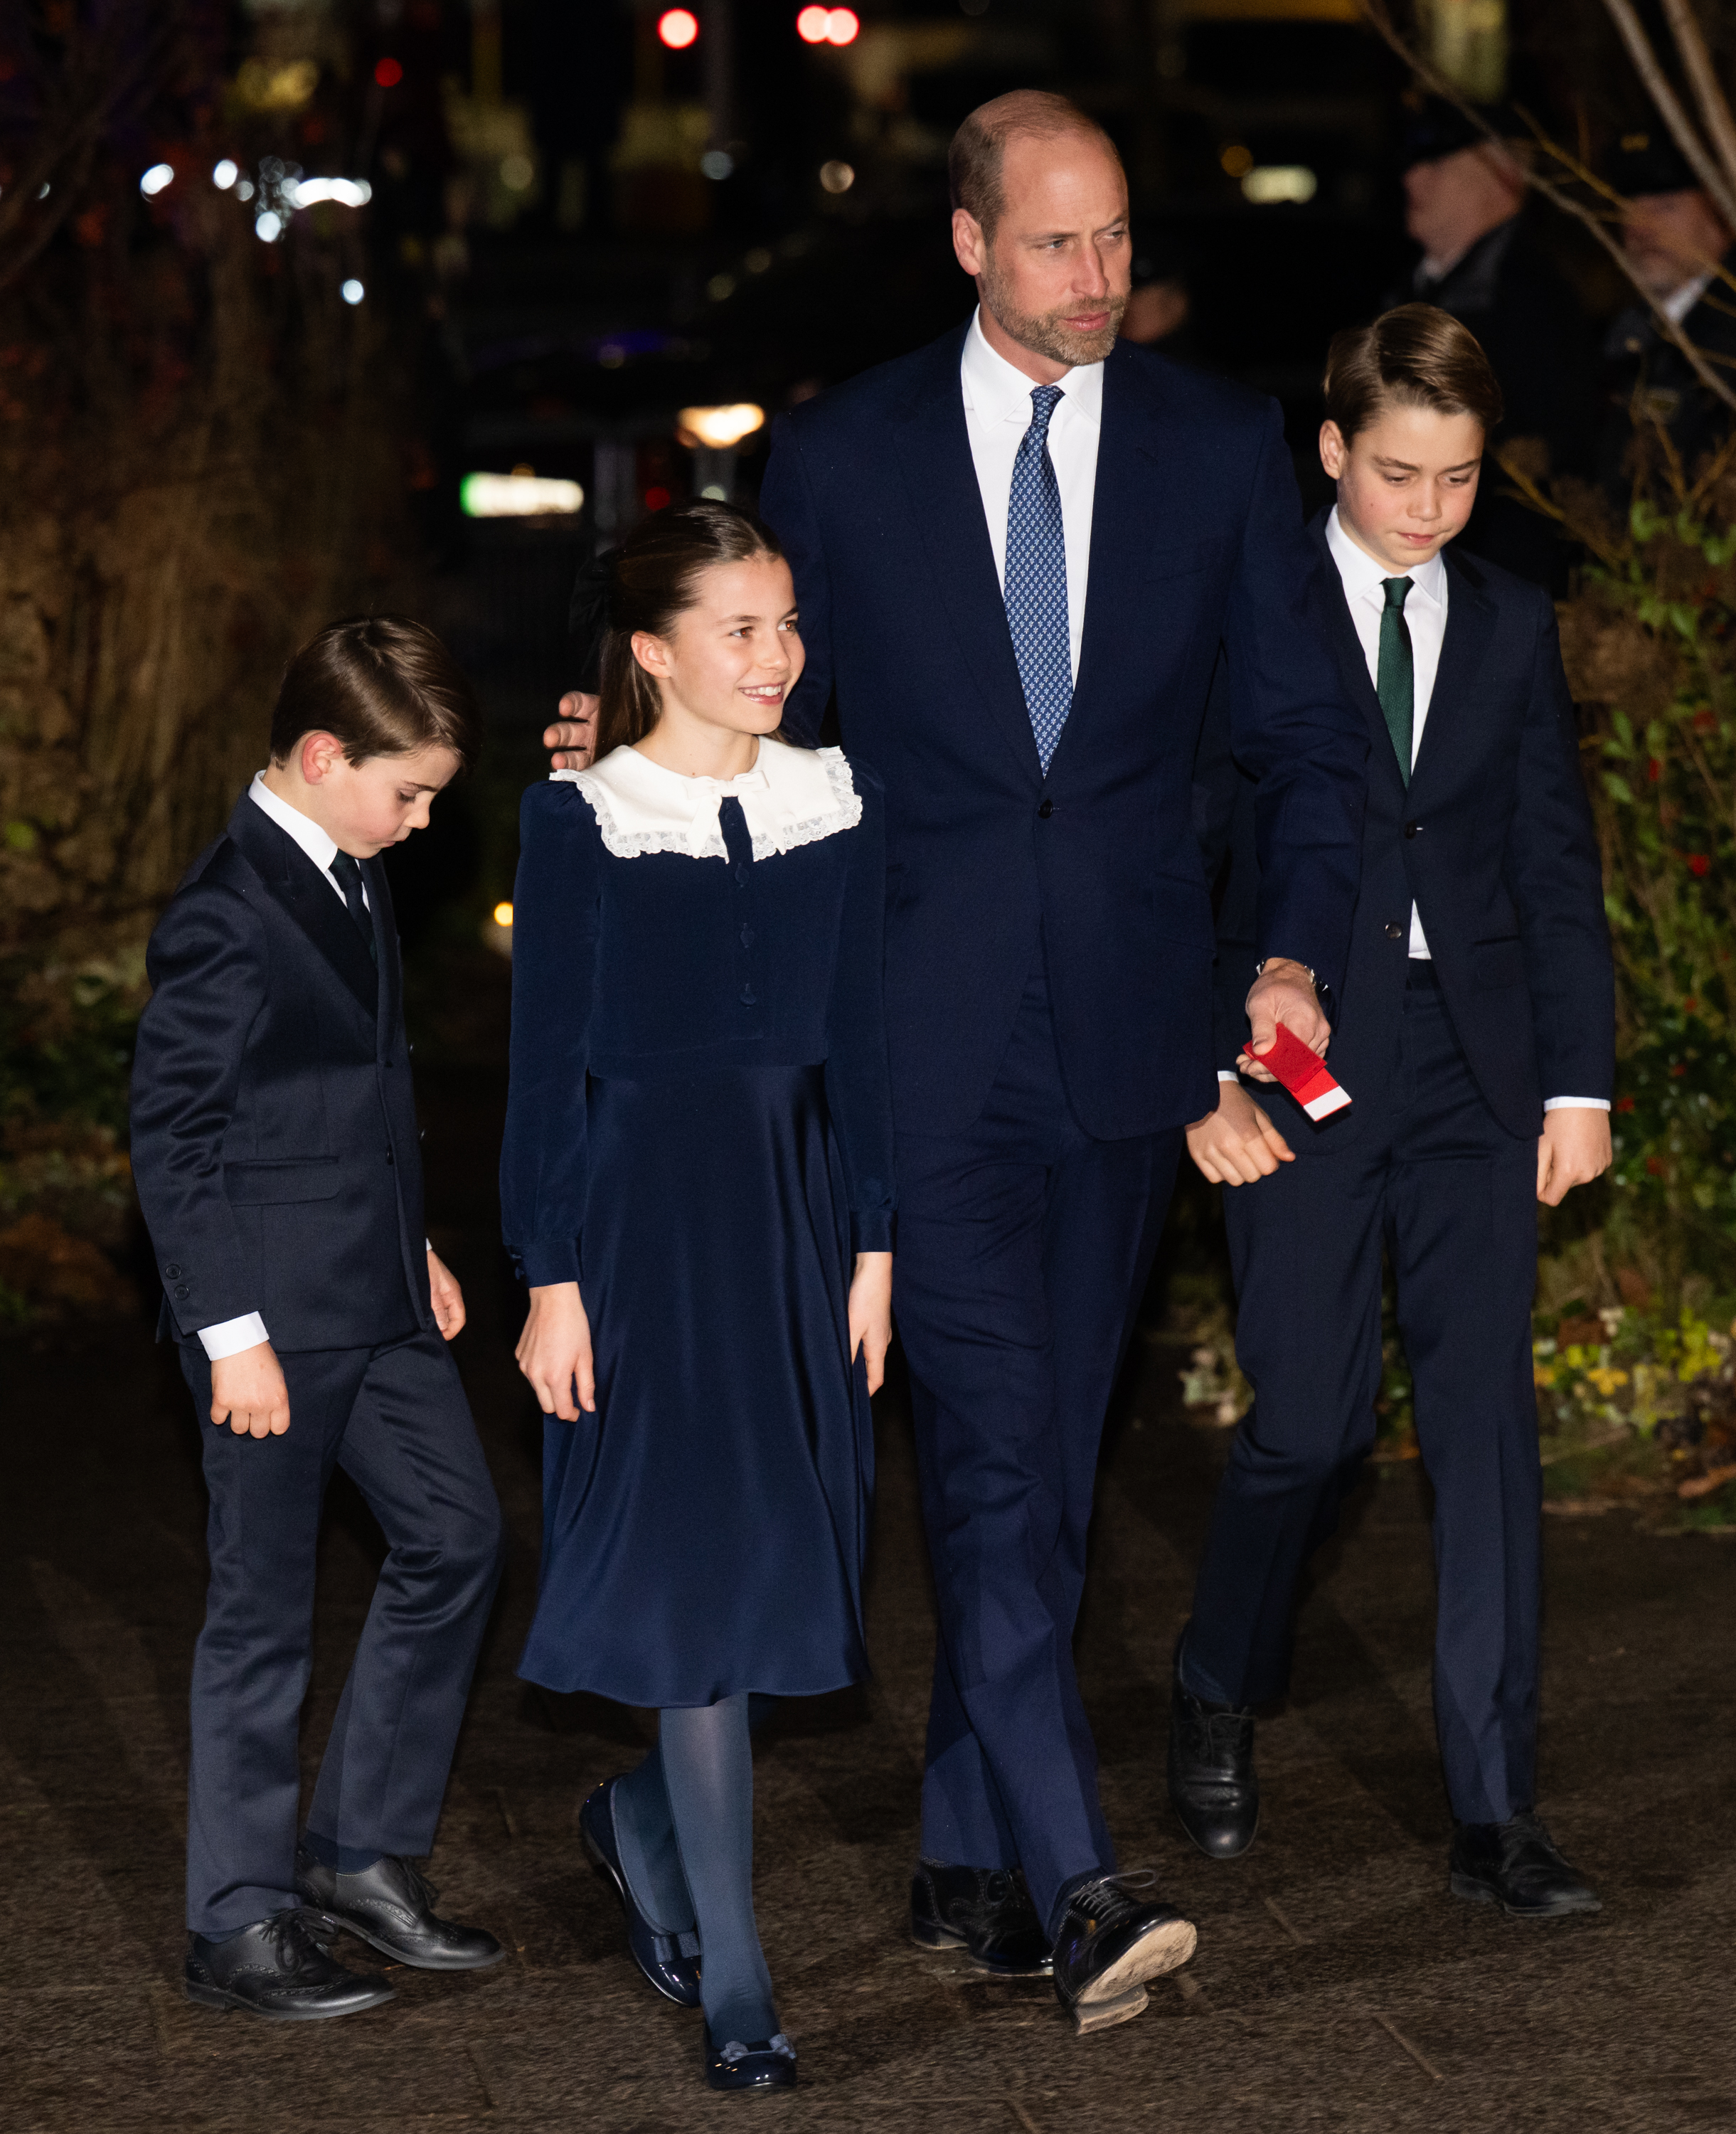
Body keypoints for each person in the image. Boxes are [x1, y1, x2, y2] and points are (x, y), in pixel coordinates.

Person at [550, 89, 1368, 2036]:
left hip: (1129, 1050)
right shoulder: (842, 460)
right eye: (1059, 246)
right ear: (971, 246)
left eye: (1117, 244)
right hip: (908, 1046)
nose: (1102, 281)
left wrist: (1287, 949)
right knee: (999, 1463)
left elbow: (1303, 745)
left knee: (1048, 1480)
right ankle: (1081, 1888)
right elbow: (770, 733)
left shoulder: (1215, 442)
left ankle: (960, 1855)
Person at [1176, 306, 1614, 1917]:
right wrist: (1197, 1058)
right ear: (1329, 449)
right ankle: (1217, 1672)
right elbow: (1186, 847)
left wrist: (1577, 1079)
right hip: (1293, 1055)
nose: (1426, 507)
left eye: (1457, 477)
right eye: (1396, 473)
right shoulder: (1250, 607)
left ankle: (1494, 1808)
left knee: (1483, 1427)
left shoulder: (1506, 619)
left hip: (1476, 1066)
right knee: (1305, 1424)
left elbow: (1552, 866)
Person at [502, 501, 894, 2093]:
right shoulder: (579, 819)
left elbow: (859, 1037)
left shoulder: (835, 798)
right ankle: (738, 1985)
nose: (776, 656)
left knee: (793, 1563)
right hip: (641, 1232)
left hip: (795, 1221)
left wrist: (872, 1242)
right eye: (739, 630)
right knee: (698, 1604)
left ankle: (635, 1819)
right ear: (651, 652)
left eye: (786, 624)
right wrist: (551, 1277)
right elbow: (544, 1075)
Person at [129, 617, 506, 2022]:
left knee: (458, 1538)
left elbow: (336, 1090)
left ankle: (357, 1855)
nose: (418, 823)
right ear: (319, 753)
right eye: (406, 792)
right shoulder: (225, 909)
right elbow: (174, 1136)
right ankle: (234, 1922)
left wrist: (413, 1239)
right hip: (268, 1324)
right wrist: (229, 1338)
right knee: (260, 1614)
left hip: (377, 1293)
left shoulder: (352, 875)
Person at [1390, 97, 1595, 587]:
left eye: (1437, 163)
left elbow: (1537, 461)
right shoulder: (1416, 288)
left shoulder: (1533, 298)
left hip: (1486, 578)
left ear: (1502, 174)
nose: (1411, 180)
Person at [1597, 129, 1736, 501]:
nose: (1641, 227)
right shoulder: (1635, 331)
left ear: (1719, 215)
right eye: (1629, 205)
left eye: (1666, 207)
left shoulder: (1724, 338)